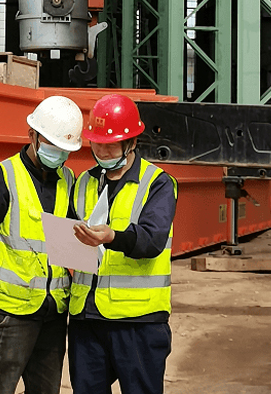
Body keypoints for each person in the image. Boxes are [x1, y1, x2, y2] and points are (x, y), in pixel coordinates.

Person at [0, 95, 84, 394]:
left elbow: (69, 244)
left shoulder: (68, 180)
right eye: (52, 145)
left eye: (64, 149)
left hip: (53, 312)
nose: (58, 154)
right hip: (9, 314)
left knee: (46, 389)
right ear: (32, 135)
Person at [69, 93, 178, 394]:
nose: (101, 151)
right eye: (96, 142)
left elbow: (152, 240)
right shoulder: (84, 182)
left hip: (138, 322)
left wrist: (112, 237)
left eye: (109, 143)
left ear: (131, 142)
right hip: (86, 318)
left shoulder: (157, 183)